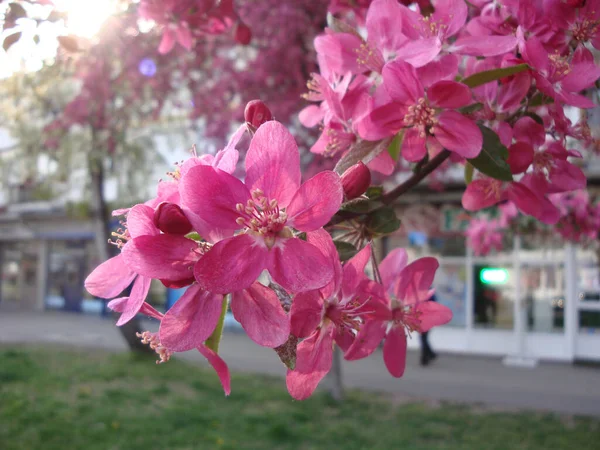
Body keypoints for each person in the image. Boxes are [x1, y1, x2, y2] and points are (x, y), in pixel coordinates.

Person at [420, 292, 438, 366]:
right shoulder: (429, 292)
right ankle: (430, 354)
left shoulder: (427, 292)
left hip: (426, 319)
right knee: (424, 338)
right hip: (424, 318)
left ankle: (425, 358)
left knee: (423, 338)